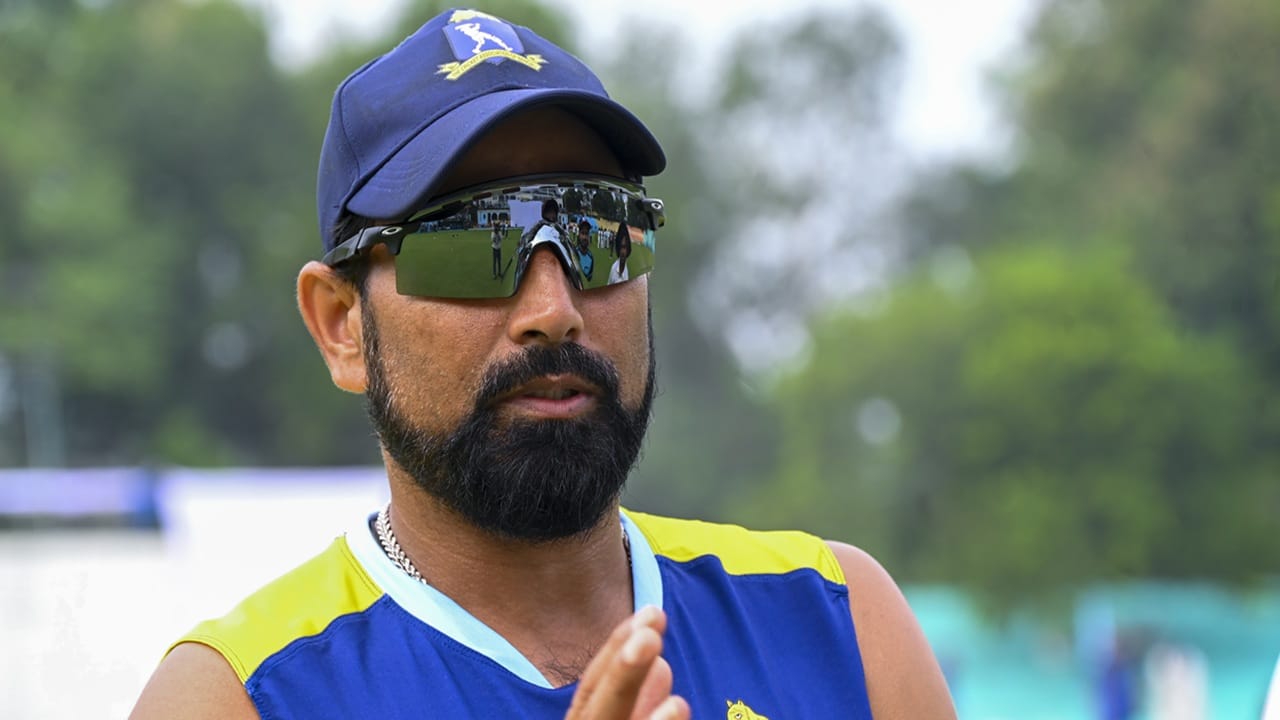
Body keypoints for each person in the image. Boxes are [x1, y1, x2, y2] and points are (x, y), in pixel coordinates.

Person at [130, 8, 956, 720]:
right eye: (469, 242)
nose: (553, 310)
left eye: (598, 230)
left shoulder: (835, 619)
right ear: (343, 325)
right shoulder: (240, 696)